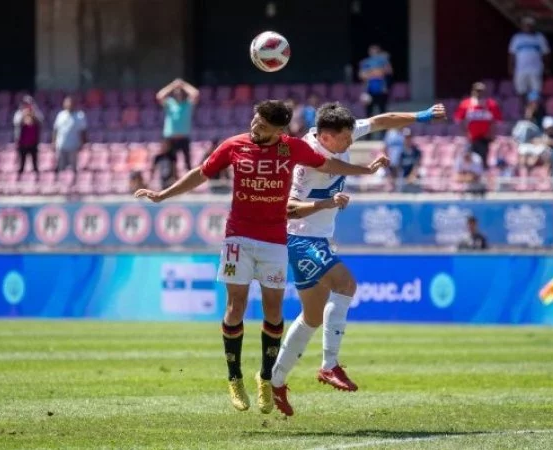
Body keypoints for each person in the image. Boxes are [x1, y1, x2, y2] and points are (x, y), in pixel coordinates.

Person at [134, 100, 388, 414]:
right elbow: (202, 173)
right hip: (237, 237)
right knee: (236, 305)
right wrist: (162, 194)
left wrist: (365, 170)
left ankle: (267, 379)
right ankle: (234, 377)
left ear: (280, 131)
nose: (255, 126)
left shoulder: (291, 148)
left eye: (264, 125)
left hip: (275, 240)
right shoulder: (234, 145)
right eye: (255, 120)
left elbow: (328, 165)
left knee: (273, 310)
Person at [270, 102, 446, 416]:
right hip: (300, 238)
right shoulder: (305, 161)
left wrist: (422, 115)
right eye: (345, 139)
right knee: (346, 284)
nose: (351, 141)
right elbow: (289, 208)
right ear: (325, 137)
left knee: (311, 317)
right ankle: (329, 365)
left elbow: (382, 120)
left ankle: (276, 381)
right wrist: (331, 199)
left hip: (319, 238)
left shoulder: (342, 132)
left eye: (351, 135)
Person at [454, 82, 502, 167]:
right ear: (473, 91)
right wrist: (465, 133)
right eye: (477, 90)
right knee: (470, 162)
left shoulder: (491, 105)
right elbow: (459, 121)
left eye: (481, 91)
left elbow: (497, 122)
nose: (479, 93)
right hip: (471, 139)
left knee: (482, 162)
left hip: (485, 139)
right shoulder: (465, 104)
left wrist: (492, 134)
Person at [156, 78, 199, 171]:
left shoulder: (187, 104)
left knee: (187, 163)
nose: (178, 94)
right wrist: (172, 85)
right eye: (176, 93)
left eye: (180, 93)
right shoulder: (170, 103)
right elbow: (159, 96)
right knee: (169, 162)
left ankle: (189, 178)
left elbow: (195, 93)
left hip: (183, 137)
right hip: (170, 138)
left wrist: (183, 85)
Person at [508, 16, 550, 99]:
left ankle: (533, 107)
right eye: (525, 25)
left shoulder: (540, 38)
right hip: (520, 70)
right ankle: (524, 107)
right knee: (521, 92)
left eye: (529, 25)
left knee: (535, 92)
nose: (527, 27)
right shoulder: (517, 38)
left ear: (533, 26)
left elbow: (546, 54)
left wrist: (546, 67)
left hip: (536, 70)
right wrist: (510, 68)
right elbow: (511, 54)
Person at [53, 96, 87, 173]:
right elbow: (55, 129)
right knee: (61, 167)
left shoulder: (79, 115)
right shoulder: (60, 115)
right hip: (61, 145)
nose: (69, 104)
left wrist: (83, 143)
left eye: (70, 103)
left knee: (73, 168)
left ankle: (75, 179)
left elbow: (83, 131)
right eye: (67, 103)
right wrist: (54, 142)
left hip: (74, 146)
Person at [13, 95, 43, 179]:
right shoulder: (19, 113)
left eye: (29, 103)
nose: (27, 105)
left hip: (33, 142)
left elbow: (41, 121)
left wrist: (33, 114)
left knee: (35, 163)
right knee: (21, 163)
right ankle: (19, 179)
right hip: (22, 142)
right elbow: (16, 122)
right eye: (25, 103)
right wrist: (24, 114)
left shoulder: (36, 112)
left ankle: (37, 179)